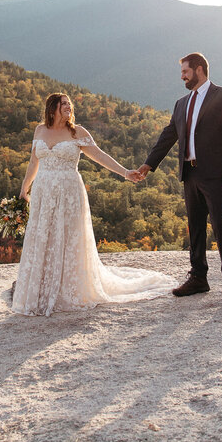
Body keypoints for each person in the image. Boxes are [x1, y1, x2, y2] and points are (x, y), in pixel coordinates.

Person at [11, 93, 175, 316]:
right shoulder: (39, 130)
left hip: (69, 193)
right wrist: (24, 189)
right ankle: (41, 288)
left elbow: (100, 156)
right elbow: (33, 162)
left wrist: (126, 173)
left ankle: (67, 290)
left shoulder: (77, 132)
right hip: (43, 193)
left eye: (70, 104)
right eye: (64, 104)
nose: (68, 107)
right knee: (44, 236)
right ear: (52, 108)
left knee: (68, 237)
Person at [135, 53, 222, 302]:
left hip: (217, 174)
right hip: (190, 173)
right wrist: (148, 165)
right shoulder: (181, 103)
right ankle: (198, 278)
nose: (182, 77)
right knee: (195, 227)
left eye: (185, 72)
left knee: (220, 226)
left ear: (199, 69)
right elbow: (168, 135)